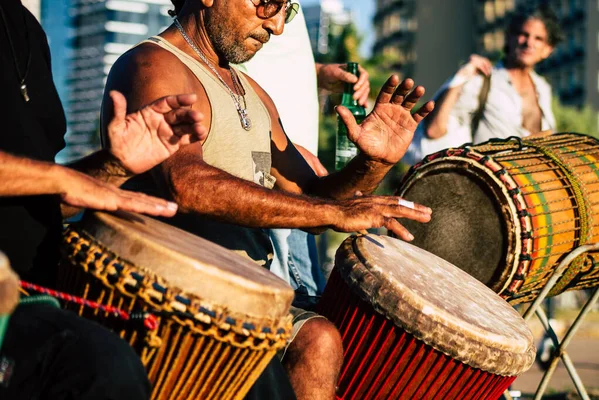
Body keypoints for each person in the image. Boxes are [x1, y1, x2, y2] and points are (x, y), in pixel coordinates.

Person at [101, 1, 434, 398]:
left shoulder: (254, 93)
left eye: (285, 13)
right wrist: (330, 210)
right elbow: (185, 183)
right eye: (267, 5)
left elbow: (308, 194)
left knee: (323, 339)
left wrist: (372, 163)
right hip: (172, 296)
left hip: (251, 298)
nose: (276, 27)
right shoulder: (153, 65)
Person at [0, 1, 213, 398]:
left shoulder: (26, 30)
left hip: (40, 292)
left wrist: (114, 167)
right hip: (13, 311)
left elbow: (47, 196)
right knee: (103, 366)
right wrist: (58, 177)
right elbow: (54, 180)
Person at [236, 2, 370, 310]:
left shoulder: (282, 9)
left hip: (296, 171)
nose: (279, 25)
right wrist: (280, 145)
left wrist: (321, 74)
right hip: (272, 169)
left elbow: (271, 61)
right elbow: (222, 65)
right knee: (306, 316)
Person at [411, 5, 563, 161]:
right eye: (523, 34)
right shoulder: (483, 81)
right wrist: (461, 76)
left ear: (547, 49)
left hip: (532, 181)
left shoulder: (543, 88)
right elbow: (434, 131)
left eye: (538, 38)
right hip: (489, 180)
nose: (529, 43)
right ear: (509, 37)